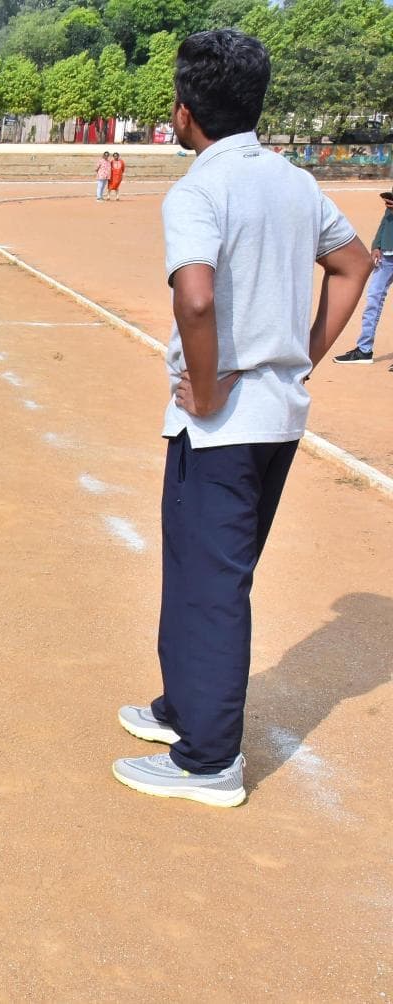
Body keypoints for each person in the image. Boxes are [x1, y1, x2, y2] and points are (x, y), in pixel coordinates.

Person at [112, 29, 372, 808]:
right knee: (204, 571)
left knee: (211, 585)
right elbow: (356, 263)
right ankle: (181, 707)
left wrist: (211, 385)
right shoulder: (294, 181)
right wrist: (301, 354)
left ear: (184, 112)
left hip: (222, 422)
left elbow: (194, 295)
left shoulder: (200, 188)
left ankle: (210, 760)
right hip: (276, 416)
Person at [333, 191, 393, 367]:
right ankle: (364, 350)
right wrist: (377, 244)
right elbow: (386, 218)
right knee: (373, 299)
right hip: (386, 254)